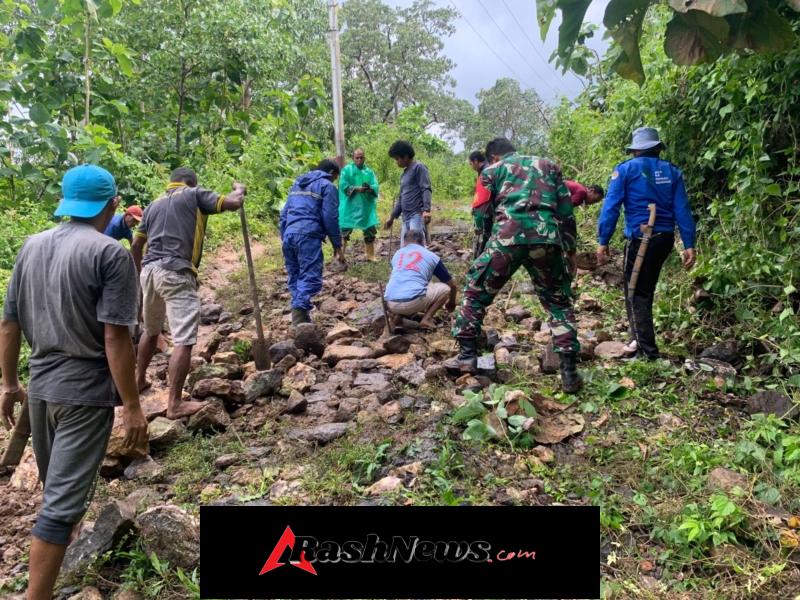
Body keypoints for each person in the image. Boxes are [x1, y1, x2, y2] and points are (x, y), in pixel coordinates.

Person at [0, 165, 148, 600]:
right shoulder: (110, 254)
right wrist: (133, 406)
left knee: (57, 490)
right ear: (113, 205)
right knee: (61, 505)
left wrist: (9, 384)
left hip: (41, 390)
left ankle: (65, 559)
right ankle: (36, 597)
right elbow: (114, 336)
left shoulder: (31, 246)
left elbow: (8, 325)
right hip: (84, 395)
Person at [447, 137, 582, 393]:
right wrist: (570, 251)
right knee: (558, 303)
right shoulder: (549, 165)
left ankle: (466, 357)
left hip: (506, 239)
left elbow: (482, 213)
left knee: (475, 294)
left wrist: (485, 247)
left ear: (494, 157)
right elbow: (566, 213)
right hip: (547, 239)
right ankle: (568, 371)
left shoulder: (491, 171)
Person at [131, 167, 246, 419]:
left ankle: (138, 380)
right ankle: (174, 404)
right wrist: (239, 190)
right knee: (183, 339)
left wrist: (138, 277)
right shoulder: (193, 194)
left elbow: (136, 245)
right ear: (191, 182)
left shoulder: (153, 205)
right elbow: (233, 203)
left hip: (149, 271)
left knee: (151, 331)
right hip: (176, 271)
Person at [597, 127, 696, 359]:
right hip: (664, 239)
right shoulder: (672, 171)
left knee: (634, 292)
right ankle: (637, 339)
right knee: (645, 289)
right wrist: (689, 243)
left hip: (641, 238)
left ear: (635, 150)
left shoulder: (625, 170)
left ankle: (647, 351)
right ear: (657, 149)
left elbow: (611, 207)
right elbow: (682, 209)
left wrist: (603, 240)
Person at [280, 159, 346, 325]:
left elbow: (284, 214)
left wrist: (285, 235)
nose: (334, 181)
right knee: (311, 277)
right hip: (308, 235)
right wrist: (337, 245)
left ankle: (302, 318)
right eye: (335, 178)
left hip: (289, 234)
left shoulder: (297, 183)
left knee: (295, 275)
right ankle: (299, 317)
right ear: (332, 173)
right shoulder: (327, 186)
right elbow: (330, 217)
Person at [384, 229, 457, 331]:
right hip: (414, 301)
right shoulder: (432, 256)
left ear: (404, 242)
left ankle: (397, 318)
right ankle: (427, 318)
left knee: (397, 285)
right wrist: (452, 302)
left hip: (390, 303)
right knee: (445, 289)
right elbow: (451, 285)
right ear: (422, 241)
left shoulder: (397, 254)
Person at [383, 140, 432, 245]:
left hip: (416, 215)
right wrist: (391, 217)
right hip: (406, 217)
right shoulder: (404, 174)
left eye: (397, 159)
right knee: (405, 248)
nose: (396, 162)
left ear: (405, 156)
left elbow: (426, 189)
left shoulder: (419, 167)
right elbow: (401, 199)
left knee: (416, 248)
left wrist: (426, 210)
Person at [339, 149, 380, 262]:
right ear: (353, 158)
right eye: (357, 157)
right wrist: (357, 189)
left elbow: (375, 186)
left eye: (361, 157)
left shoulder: (369, 172)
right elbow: (343, 185)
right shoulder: (347, 170)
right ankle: (340, 255)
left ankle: (370, 255)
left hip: (365, 207)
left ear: (364, 158)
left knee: (370, 230)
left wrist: (369, 188)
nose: (359, 159)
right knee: (344, 231)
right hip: (349, 207)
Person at [469, 150, 492, 258]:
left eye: (471, 163)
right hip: (488, 214)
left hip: (486, 216)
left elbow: (483, 199)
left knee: (483, 245)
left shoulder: (486, 173)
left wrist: (478, 221)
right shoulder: (488, 170)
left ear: (476, 161)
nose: (471, 166)